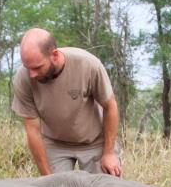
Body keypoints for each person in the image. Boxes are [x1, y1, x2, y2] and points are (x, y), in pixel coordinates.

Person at [11, 28, 122, 176]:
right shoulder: (23, 78)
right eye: (27, 67)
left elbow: (110, 107)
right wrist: (47, 178)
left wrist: (108, 153)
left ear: (54, 55)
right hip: (55, 144)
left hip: (94, 141)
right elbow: (33, 131)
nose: (32, 74)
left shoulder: (88, 65)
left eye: (37, 67)